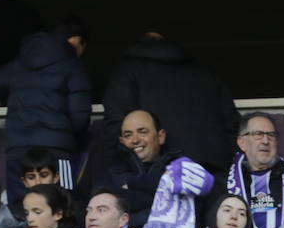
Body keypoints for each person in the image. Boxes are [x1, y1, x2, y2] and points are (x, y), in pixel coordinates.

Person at [0, 23, 90, 209]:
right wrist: (68, 140)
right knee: (66, 204)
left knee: (20, 208)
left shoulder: (20, 65)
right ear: (75, 42)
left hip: (18, 150)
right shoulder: (73, 66)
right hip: (57, 150)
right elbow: (80, 116)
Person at [100, 33, 237, 173]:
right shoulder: (204, 70)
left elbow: (116, 122)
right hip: (215, 165)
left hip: (165, 169)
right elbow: (231, 122)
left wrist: (110, 170)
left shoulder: (128, 69)